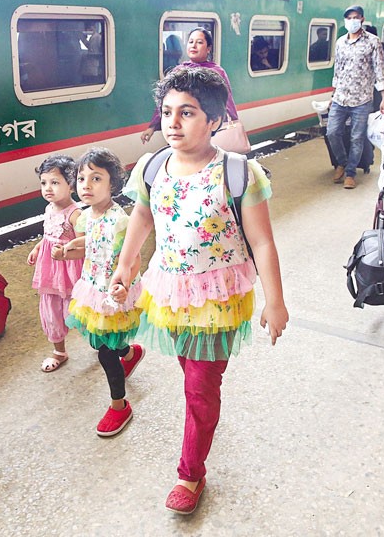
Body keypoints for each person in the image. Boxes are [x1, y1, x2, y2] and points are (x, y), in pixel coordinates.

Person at [111, 66, 288, 515]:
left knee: (200, 389)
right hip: (169, 293)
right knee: (191, 376)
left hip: (219, 300)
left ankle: (190, 473)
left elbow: (263, 241)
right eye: (167, 112)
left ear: (214, 120)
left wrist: (276, 301)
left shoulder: (238, 172)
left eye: (187, 113)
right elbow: (143, 219)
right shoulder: (153, 167)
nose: (172, 122)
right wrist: (124, 269)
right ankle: (196, 441)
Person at [55, 148, 144, 437]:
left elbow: (135, 257)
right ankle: (129, 354)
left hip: (113, 291)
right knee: (105, 341)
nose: (86, 185)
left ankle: (119, 406)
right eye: (82, 178)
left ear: (113, 184)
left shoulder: (121, 221)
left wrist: (125, 284)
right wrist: (69, 250)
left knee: (105, 354)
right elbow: (91, 243)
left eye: (96, 178)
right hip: (92, 287)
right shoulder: (85, 217)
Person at [26, 155, 83, 372]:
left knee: (78, 309)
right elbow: (49, 235)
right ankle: (59, 350)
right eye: (44, 183)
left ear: (71, 185)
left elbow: (83, 246)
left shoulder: (76, 214)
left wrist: (66, 254)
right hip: (50, 270)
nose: (48, 188)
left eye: (55, 182)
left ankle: (102, 341)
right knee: (50, 308)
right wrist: (38, 247)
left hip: (71, 270)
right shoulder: (50, 209)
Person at [326, 5, 384, 189]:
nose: (352, 21)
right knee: (332, 132)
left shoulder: (373, 42)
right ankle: (342, 161)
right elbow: (337, 71)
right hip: (340, 97)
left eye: (355, 17)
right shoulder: (340, 42)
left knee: (357, 137)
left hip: (362, 99)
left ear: (362, 19)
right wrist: (333, 95)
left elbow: (379, 70)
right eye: (349, 18)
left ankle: (350, 173)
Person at [140, 27, 239, 143]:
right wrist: (152, 127)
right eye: (191, 42)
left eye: (199, 42)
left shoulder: (216, 72)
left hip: (206, 130)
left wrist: (235, 123)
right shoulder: (178, 71)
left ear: (208, 48)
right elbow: (165, 101)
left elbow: (227, 102)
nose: (194, 46)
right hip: (181, 129)